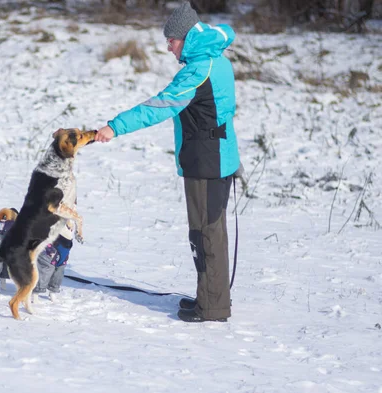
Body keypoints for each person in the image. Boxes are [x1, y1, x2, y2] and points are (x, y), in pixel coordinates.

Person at [95, 2, 239, 322]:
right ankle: (209, 297)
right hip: (220, 156)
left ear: (185, 37)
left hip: (206, 162)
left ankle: (212, 307)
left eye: (171, 42)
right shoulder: (217, 60)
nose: (169, 49)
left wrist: (113, 127)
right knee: (210, 231)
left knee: (205, 234)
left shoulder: (197, 69)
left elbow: (159, 107)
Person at [32, 221, 75, 303]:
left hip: (66, 244)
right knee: (45, 268)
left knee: (60, 269)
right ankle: (35, 293)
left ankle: (53, 291)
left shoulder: (73, 216)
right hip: (53, 242)